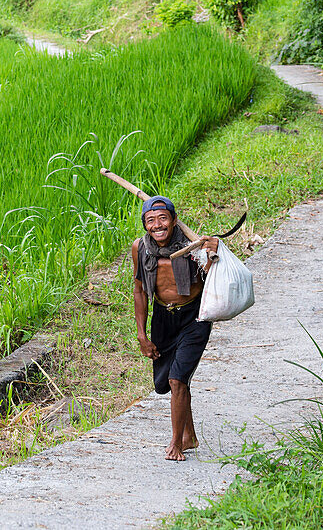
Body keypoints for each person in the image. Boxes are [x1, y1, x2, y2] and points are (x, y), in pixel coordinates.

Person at [131, 195, 218, 461]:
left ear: (174, 220)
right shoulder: (140, 248)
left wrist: (213, 251)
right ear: (145, 225)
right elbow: (140, 291)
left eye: (163, 219)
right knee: (164, 384)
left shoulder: (194, 247)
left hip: (193, 317)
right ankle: (189, 435)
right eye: (150, 220)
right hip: (163, 319)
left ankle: (176, 443)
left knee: (177, 379)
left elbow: (214, 272)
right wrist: (142, 335)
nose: (157, 225)